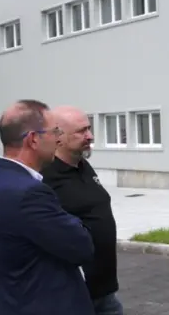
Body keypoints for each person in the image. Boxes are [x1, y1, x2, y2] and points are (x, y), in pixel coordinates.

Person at [0, 99, 95, 315]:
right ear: (33, 139)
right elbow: (81, 246)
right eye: (54, 132)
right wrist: (77, 223)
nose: (58, 139)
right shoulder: (28, 193)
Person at [42, 106, 124, 315]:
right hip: (73, 296)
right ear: (58, 138)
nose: (90, 136)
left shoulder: (83, 166)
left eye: (89, 128)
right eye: (81, 131)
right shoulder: (46, 177)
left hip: (105, 292)